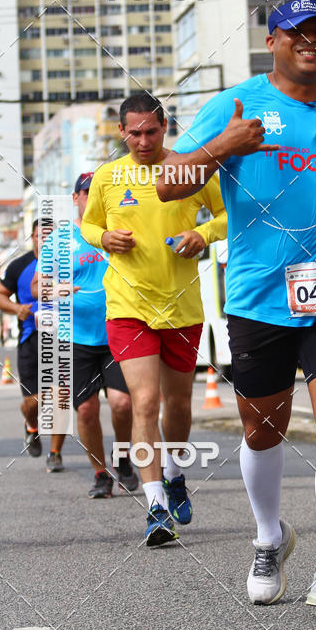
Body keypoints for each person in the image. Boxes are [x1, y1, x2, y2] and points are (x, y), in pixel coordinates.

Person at [157, 0, 316, 612]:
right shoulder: (236, 104)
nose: (310, 42)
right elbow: (167, 183)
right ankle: (269, 537)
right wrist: (223, 147)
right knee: (261, 431)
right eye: (297, 33)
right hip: (259, 294)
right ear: (273, 41)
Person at [81, 92, 227, 546]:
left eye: (151, 131)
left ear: (165, 128)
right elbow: (88, 224)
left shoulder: (189, 168)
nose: (142, 141)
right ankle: (156, 507)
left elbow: (227, 216)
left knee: (178, 405)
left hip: (181, 304)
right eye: (133, 133)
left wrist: (200, 234)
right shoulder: (108, 175)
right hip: (128, 305)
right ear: (121, 132)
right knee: (143, 402)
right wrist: (104, 236)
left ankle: (176, 473)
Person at [31, 173, 136, 499]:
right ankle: (100, 473)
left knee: (122, 403)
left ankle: (123, 460)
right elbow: (37, 288)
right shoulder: (59, 241)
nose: (91, 197)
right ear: (75, 198)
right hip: (74, 338)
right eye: (86, 192)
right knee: (87, 410)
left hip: (118, 330)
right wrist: (59, 289)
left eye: (97, 192)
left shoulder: (121, 232)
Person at [0, 221, 66, 468]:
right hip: (30, 339)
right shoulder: (19, 266)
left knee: (60, 397)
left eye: (50, 236)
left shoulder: (66, 264)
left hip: (63, 338)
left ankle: (55, 453)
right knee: (33, 401)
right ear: (32, 237)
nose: (44, 241)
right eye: (39, 236)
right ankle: (31, 425)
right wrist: (16, 308)